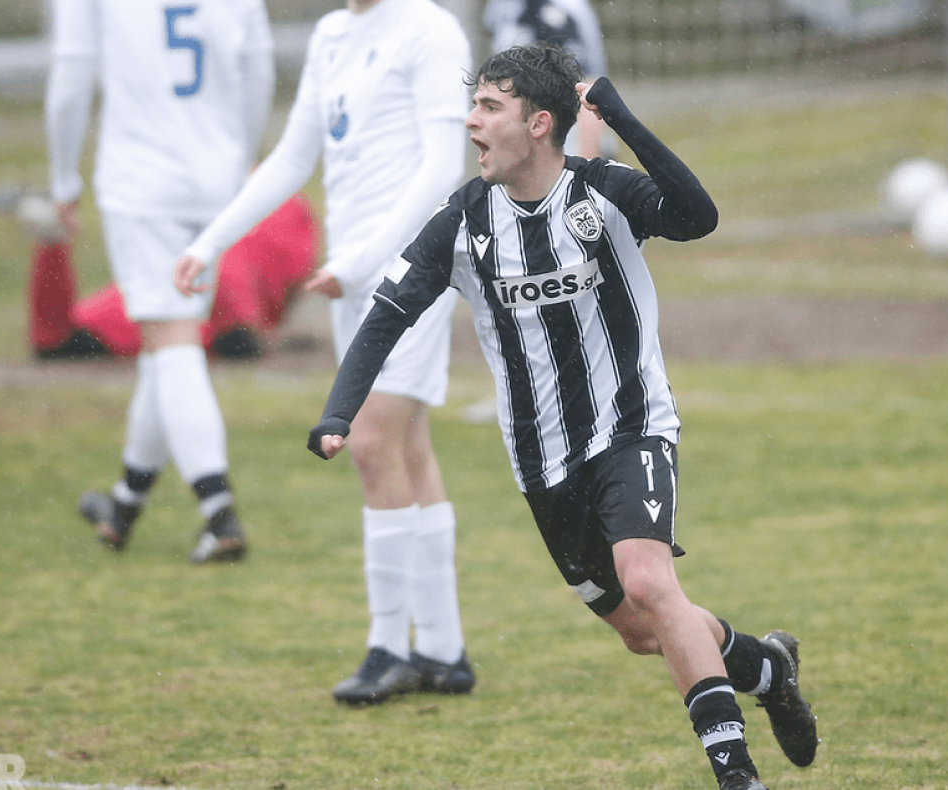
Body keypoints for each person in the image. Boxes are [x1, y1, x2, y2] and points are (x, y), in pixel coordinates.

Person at [308, 43, 819, 789]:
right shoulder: (464, 220)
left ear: (539, 123)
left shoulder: (603, 192)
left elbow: (696, 216)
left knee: (649, 583)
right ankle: (766, 667)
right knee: (645, 633)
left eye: (489, 107)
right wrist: (338, 412)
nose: (471, 122)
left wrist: (621, 117)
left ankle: (735, 773)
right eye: (473, 105)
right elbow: (386, 314)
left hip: (633, 425)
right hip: (543, 461)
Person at [174, 0, 476, 704]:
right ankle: (441, 648)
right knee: (405, 446)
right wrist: (211, 241)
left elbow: (441, 167)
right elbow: (293, 155)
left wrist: (370, 257)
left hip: (413, 266)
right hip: (354, 274)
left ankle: (386, 646)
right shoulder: (332, 34)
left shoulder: (428, 29)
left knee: (368, 441)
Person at [46, 0, 275, 563]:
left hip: (141, 177)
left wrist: (61, 175)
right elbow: (259, 69)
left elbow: (71, 72)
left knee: (172, 339)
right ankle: (123, 506)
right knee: (166, 340)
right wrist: (236, 158)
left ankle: (219, 515)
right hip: (215, 174)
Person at [17, 193, 321, 362]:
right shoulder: (287, 209)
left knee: (57, 341)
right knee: (228, 339)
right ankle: (53, 244)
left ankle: (52, 245)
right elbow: (250, 273)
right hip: (206, 297)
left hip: (168, 287)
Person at [484, 0, 610, 158]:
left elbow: (588, 86)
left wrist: (584, 163)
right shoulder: (501, 7)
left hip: (560, 138)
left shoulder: (564, 10)